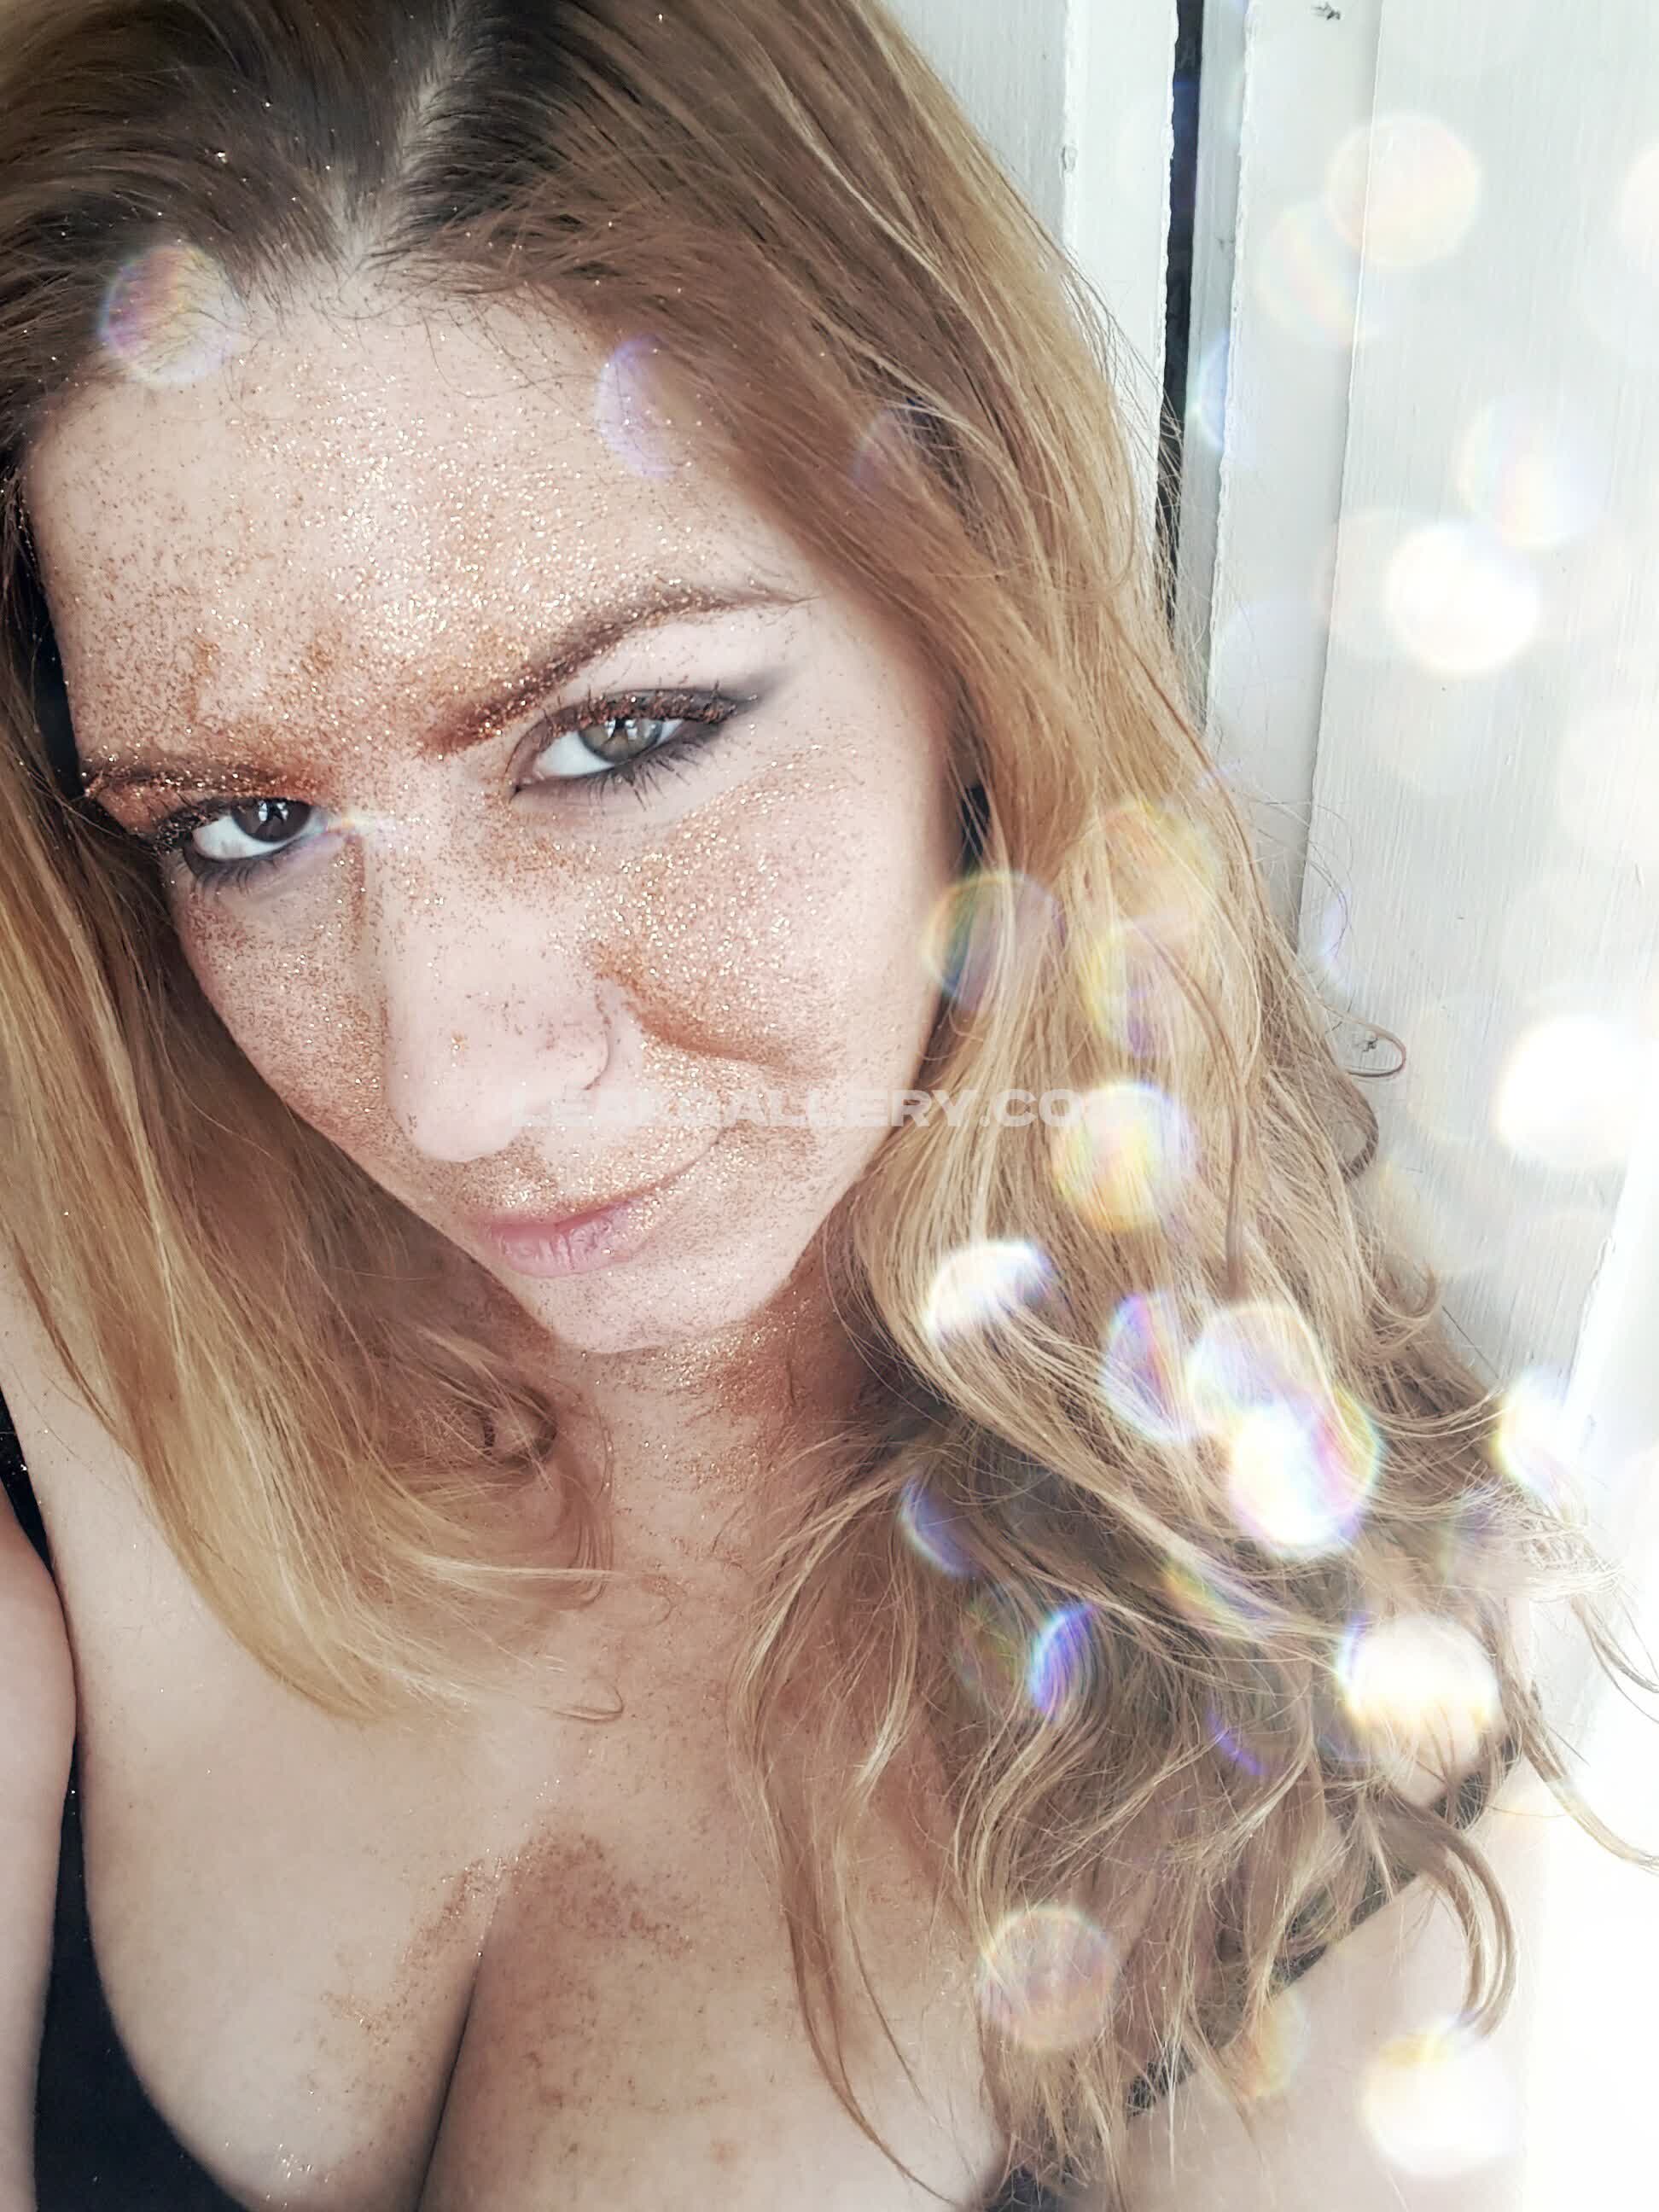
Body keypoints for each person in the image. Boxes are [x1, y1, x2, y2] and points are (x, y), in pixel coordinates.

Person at [0, 3, 1644, 2208]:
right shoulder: (75, 1285)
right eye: (244, 825)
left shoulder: (1316, 1793)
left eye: (620, 737)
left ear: (970, 615)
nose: (451, 1082)